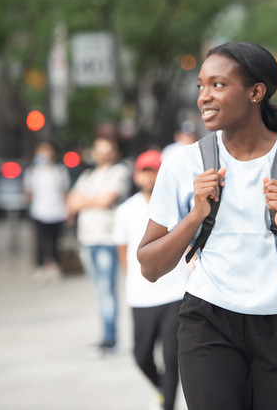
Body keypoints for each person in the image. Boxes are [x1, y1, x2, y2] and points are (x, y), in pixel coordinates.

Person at [138, 41, 277, 410]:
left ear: (256, 92)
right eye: (201, 86)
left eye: (218, 85)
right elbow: (149, 266)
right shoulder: (185, 165)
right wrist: (195, 215)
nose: (204, 97)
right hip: (207, 322)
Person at [114, 150, 189, 410]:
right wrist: (132, 279)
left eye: (154, 171)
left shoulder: (177, 205)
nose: (149, 177)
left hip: (175, 293)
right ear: (136, 176)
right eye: (144, 171)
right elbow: (122, 251)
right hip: (141, 295)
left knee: (172, 358)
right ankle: (161, 389)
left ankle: (166, 403)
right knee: (141, 355)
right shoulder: (125, 210)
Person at [67, 137, 131, 356]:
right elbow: (71, 202)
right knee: (98, 290)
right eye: (99, 150)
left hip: (106, 239)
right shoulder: (87, 175)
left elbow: (107, 200)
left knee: (106, 290)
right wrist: (93, 200)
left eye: (107, 150)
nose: (103, 154)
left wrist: (86, 201)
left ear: (114, 153)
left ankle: (110, 339)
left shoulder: (119, 172)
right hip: (87, 239)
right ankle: (105, 334)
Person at [23, 142, 70, 284]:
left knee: (55, 241)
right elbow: (28, 192)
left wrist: (66, 210)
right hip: (39, 211)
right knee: (40, 241)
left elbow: (63, 192)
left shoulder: (58, 171)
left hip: (56, 212)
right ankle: (40, 266)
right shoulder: (32, 172)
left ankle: (54, 266)